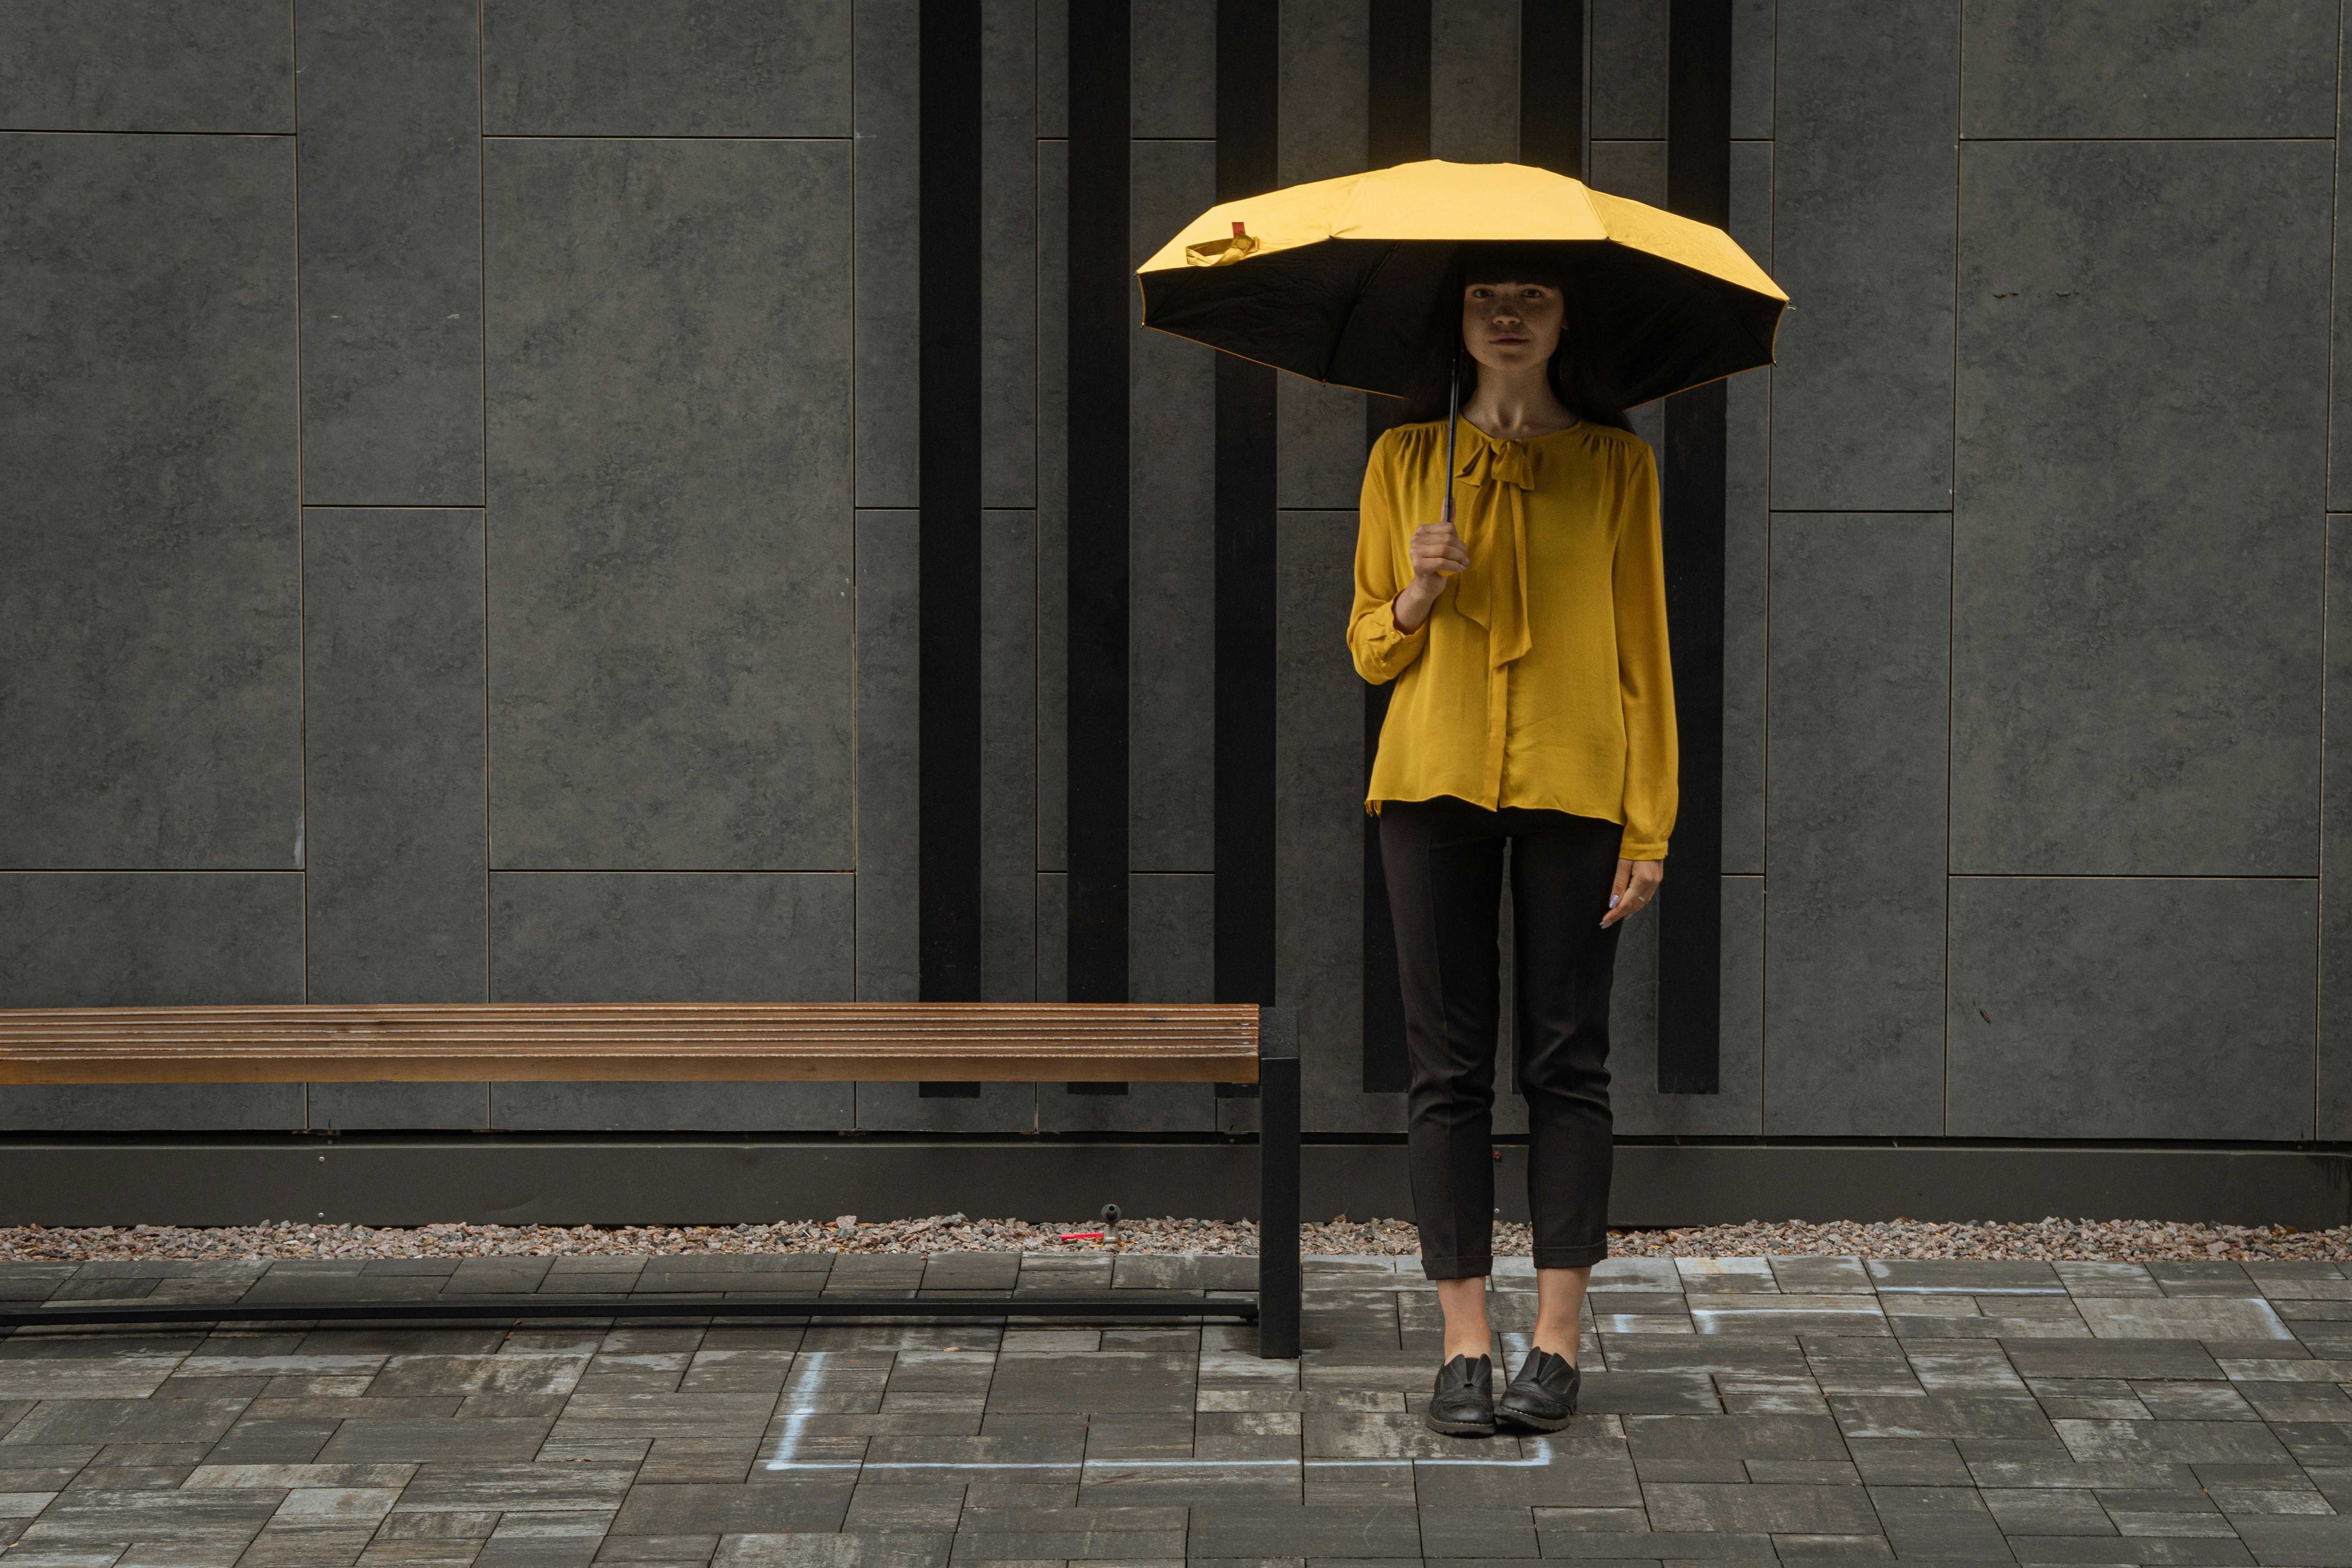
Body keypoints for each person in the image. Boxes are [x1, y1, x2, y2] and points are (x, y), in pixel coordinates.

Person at [1347, 242, 1677, 1438]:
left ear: (1564, 318)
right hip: (1432, 781)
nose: (1508, 315)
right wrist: (1419, 591)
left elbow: (1646, 651)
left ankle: (1557, 1340)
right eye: (1488, 296)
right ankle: (1464, 1343)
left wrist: (1654, 822)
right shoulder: (1404, 462)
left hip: (1578, 784)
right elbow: (1369, 651)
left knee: (1567, 1060)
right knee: (1448, 1068)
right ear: (1459, 318)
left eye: (1533, 296)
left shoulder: (1615, 467)